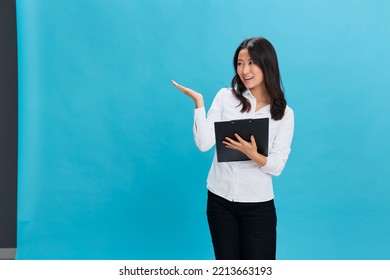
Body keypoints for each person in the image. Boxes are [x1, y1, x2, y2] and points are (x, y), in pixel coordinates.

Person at [172, 37, 294, 260]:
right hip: (219, 202)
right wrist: (199, 104)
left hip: (258, 206)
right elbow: (203, 144)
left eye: (251, 63)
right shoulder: (225, 98)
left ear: (267, 65)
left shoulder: (284, 114)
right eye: (240, 63)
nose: (244, 70)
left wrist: (253, 155)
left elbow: (277, 166)